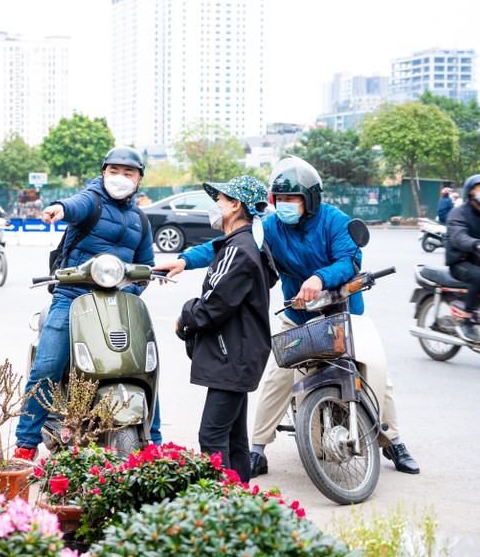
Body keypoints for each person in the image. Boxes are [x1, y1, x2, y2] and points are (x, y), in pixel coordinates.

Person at [155, 156, 419, 477]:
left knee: (376, 373)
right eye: (279, 199)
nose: (284, 205)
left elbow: (350, 260)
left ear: (310, 199)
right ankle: (258, 449)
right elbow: (223, 245)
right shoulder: (271, 227)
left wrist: (320, 278)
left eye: (292, 198)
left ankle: (393, 441)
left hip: (342, 314)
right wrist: (183, 261)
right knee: (277, 378)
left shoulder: (334, 221)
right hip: (297, 315)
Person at [13, 146, 155, 461]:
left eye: (128, 173)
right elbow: (74, 206)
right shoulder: (91, 201)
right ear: (103, 173)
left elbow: (146, 266)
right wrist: (58, 208)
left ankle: (155, 444)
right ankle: (25, 445)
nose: (120, 178)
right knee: (48, 366)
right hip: (73, 297)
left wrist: (135, 291)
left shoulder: (141, 221)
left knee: (144, 367)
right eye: (114, 171)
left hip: (119, 302)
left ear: (138, 179)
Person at [175, 176, 277, 482]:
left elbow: (213, 306)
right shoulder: (247, 244)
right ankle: (239, 500)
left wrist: (185, 315)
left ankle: (221, 509)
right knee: (234, 438)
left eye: (219, 200)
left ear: (235, 206)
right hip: (238, 353)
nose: (215, 206)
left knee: (212, 436)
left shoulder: (240, 248)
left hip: (232, 355)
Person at [445, 174, 480, 343]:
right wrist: (476, 244)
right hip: (460, 261)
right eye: (479, 188)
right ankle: (467, 318)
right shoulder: (458, 213)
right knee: (478, 276)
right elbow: (458, 237)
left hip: (476, 259)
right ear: (471, 192)